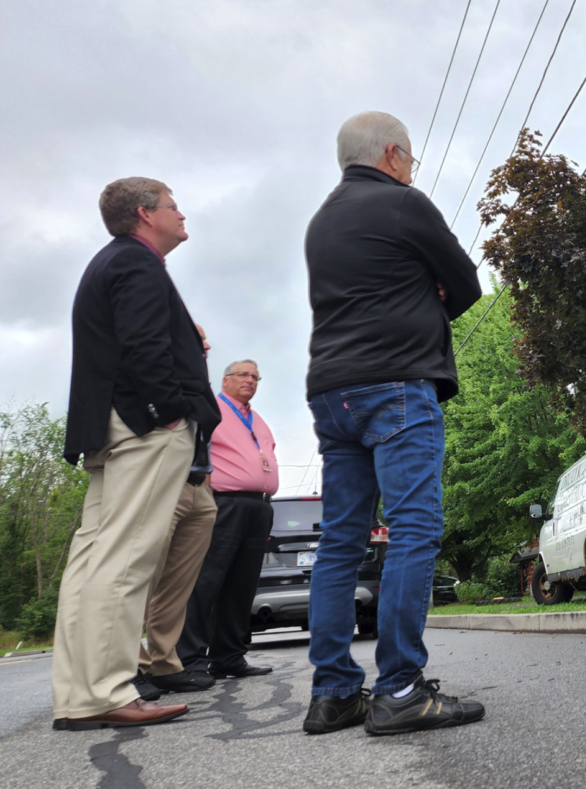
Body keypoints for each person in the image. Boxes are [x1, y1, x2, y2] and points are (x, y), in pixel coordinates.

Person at [301, 111, 483, 736]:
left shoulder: (321, 220)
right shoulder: (405, 205)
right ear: (392, 155)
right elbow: (465, 284)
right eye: (411, 158)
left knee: (341, 542)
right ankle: (401, 687)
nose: (412, 168)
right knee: (412, 529)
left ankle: (333, 693)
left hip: (330, 392)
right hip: (396, 386)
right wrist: (429, 290)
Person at [53, 178, 221, 730]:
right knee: (126, 558)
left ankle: (80, 696)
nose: (182, 213)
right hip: (144, 426)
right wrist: (169, 410)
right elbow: (142, 345)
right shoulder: (138, 264)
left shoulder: (112, 263)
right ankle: (107, 693)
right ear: (146, 214)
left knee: (93, 558)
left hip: (110, 426)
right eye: (174, 205)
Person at [176, 359, 279, 679]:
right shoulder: (213, 409)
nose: (250, 380)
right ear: (225, 380)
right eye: (243, 375)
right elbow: (194, 447)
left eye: (255, 377)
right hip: (224, 503)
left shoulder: (258, 420)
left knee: (242, 585)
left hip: (259, 506)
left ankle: (229, 656)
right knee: (206, 581)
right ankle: (190, 658)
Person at [134, 324, 220, 699]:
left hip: (198, 484)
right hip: (161, 480)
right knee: (140, 576)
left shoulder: (194, 379)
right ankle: (126, 664)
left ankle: (163, 661)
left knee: (178, 584)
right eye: (198, 338)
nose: (206, 345)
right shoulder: (155, 372)